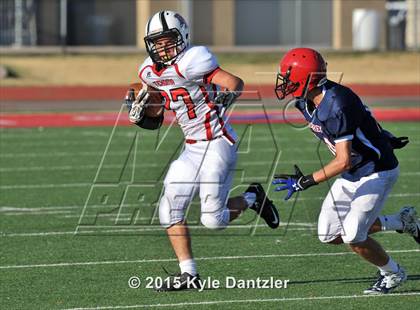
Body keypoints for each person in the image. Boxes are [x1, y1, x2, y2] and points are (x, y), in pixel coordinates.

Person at [126, 11, 280, 291]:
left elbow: (235, 82)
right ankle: (189, 274)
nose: (162, 47)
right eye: (156, 42)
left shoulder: (194, 59)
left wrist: (225, 95)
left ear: (182, 37)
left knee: (214, 220)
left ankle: (252, 197)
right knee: (168, 210)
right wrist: (141, 106)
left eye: (167, 40)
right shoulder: (147, 70)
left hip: (217, 142)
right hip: (192, 147)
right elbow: (156, 109)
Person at [272, 47, 419, 294]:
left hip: (376, 171)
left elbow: (343, 161)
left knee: (353, 235)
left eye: (289, 77)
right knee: (328, 234)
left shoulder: (338, 103)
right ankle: (400, 221)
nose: (284, 82)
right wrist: (381, 136)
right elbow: (363, 120)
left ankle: (393, 273)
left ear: (306, 79)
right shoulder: (306, 102)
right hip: (354, 172)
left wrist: (305, 182)